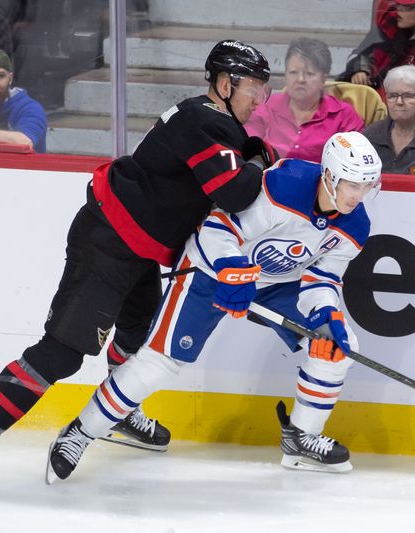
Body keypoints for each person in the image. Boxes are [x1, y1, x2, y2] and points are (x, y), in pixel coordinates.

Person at [0, 39, 275, 496]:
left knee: (136, 339)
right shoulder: (204, 122)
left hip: (138, 247)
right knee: (63, 352)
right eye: (255, 89)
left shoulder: (207, 118)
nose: (259, 100)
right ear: (226, 84)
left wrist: (253, 153)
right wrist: (261, 161)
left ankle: (119, 414)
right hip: (108, 244)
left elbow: (232, 167)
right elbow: (234, 191)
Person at [45, 131, 383, 482]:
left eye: (366, 186)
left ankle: (301, 436)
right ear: (329, 176)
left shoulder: (356, 224)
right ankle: (81, 432)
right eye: (351, 185)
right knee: (159, 362)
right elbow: (216, 227)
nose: (358, 196)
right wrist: (231, 268)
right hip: (212, 268)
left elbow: (322, 278)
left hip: (274, 282)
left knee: (336, 348)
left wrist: (325, 314)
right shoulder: (286, 186)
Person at [245, 37, 363, 162]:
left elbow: (355, 161)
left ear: (324, 78)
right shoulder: (265, 108)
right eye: (293, 72)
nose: (300, 79)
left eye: (309, 73)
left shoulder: (344, 116)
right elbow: (249, 153)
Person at [339, 0, 415, 90]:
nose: (398, 11)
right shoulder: (388, 29)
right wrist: (360, 71)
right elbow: (361, 55)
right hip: (382, 99)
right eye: (398, 4)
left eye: (407, 7)